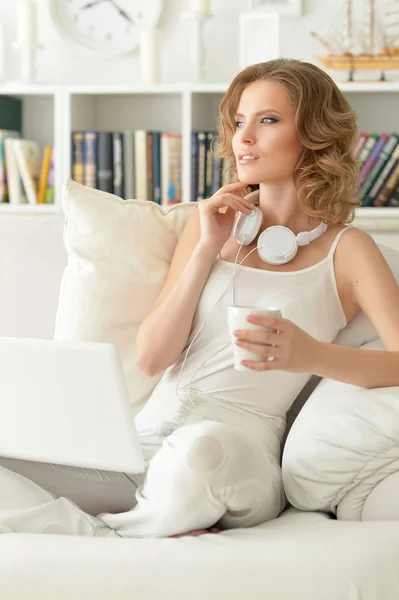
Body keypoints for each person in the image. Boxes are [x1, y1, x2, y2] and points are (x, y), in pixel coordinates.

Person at [1, 58, 399, 539]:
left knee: (200, 454)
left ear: (313, 134)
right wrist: (207, 249)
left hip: (234, 452)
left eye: (267, 120)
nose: (243, 137)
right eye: (238, 122)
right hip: (145, 443)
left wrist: (310, 355)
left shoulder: (348, 249)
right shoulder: (207, 225)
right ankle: (139, 529)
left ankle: (122, 527)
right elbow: (151, 358)